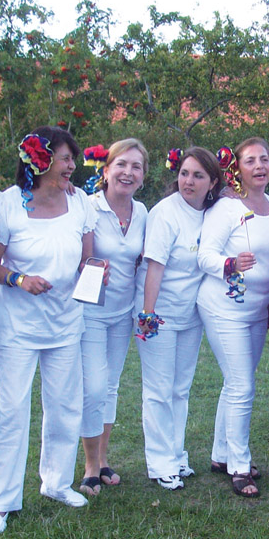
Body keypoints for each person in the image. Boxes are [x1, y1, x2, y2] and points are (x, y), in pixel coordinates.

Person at [0, 127, 98, 536]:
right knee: (13, 410)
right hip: (17, 326)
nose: (72, 166)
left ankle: (57, 483)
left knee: (65, 406)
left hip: (65, 322)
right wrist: (19, 279)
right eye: (65, 159)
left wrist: (94, 271)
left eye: (72, 159)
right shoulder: (8, 204)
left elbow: (86, 260)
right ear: (40, 161)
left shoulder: (80, 202)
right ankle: (0, 501)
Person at [196, 137, 269, 498]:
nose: (259, 166)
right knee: (242, 386)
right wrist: (230, 263)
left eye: (264, 159)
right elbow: (205, 256)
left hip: (257, 310)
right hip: (223, 307)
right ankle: (239, 465)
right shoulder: (226, 207)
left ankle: (221, 455)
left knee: (236, 383)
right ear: (238, 168)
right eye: (250, 161)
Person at [137, 146, 223, 490]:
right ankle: (160, 463)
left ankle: (176, 455)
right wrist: (148, 314)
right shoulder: (165, 213)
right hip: (158, 313)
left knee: (179, 388)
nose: (189, 181)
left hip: (191, 315)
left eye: (198, 175)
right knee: (158, 390)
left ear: (212, 182)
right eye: (184, 173)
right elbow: (154, 268)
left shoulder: (212, 213)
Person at [77, 139, 149, 495]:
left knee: (110, 386)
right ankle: (90, 464)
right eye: (121, 164)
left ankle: (103, 459)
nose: (128, 172)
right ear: (105, 171)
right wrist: (89, 267)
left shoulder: (143, 212)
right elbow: (79, 260)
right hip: (90, 312)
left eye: (136, 167)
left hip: (123, 314)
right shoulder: (87, 207)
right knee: (93, 388)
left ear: (143, 176)